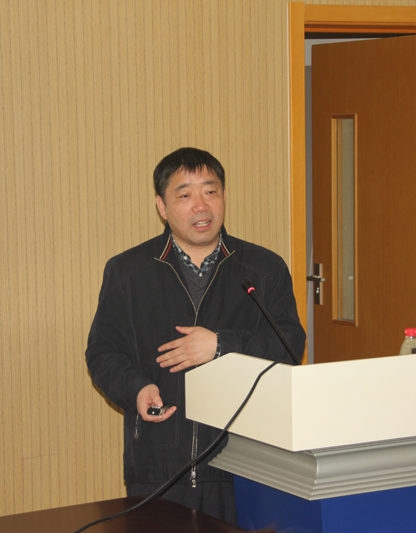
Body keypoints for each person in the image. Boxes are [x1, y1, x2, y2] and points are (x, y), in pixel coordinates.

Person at [85, 147, 306, 524]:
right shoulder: (128, 272)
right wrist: (136, 388)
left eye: (210, 191)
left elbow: (289, 346)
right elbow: (103, 352)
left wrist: (220, 345)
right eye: (185, 195)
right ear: (162, 206)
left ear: (224, 196)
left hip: (244, 463)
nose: (201, 206)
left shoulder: (264, 269)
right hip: (158, 464)